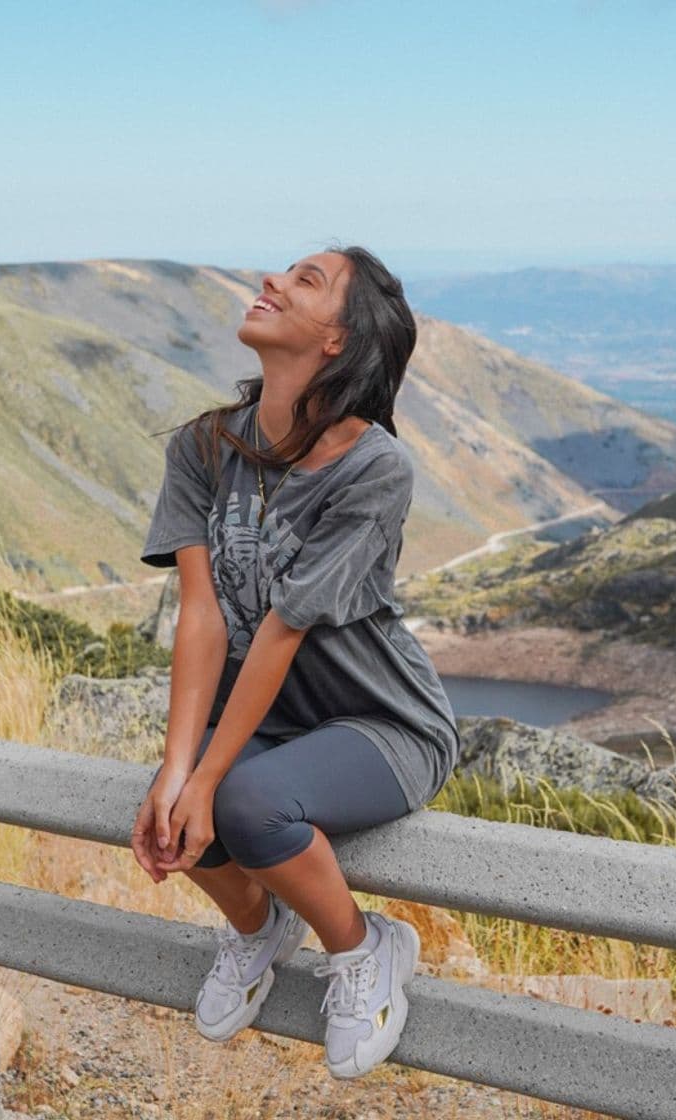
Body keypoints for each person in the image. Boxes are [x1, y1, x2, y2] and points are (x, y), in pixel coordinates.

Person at [132, 243, 461, 1080]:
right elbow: (202, 614)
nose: (271, 279)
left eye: (306, 280)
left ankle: (363, 948)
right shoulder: (206, 447)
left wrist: (208, 777)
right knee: (177, 809)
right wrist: (177, 771)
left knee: (239, 799)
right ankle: (258, 930)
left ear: (338, 342)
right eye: (284, 271)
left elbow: (282, 629)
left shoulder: (373, 466)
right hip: (270, 720)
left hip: (382, 724)